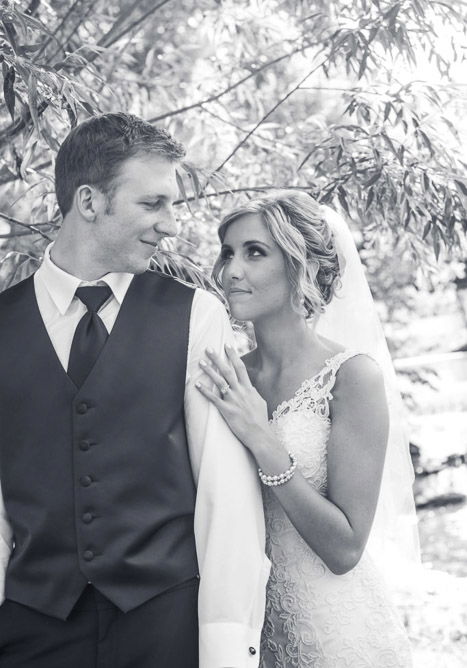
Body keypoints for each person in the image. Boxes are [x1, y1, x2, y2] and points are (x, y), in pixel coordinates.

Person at [0, 113, 270, 668]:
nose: (170, 224)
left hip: (165, 625)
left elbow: (226, 498)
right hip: (32, 630)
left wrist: (224, 649)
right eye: (153, 204)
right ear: (89, 201)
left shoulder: (196, 316)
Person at [196, 191, 418, 667]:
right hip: (245, 634)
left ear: (302, 266)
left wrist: (261, 436)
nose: (231, 270)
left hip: (337, 635)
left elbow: (345, 548)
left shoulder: (351, 377)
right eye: (228, 252)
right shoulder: (227, 375)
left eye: (255, 253)